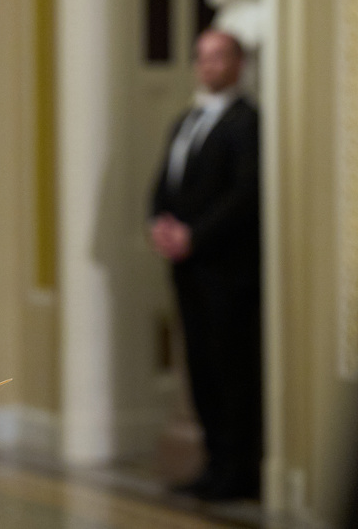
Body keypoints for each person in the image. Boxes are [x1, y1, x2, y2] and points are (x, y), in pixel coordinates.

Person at [150, 28, 262, 501]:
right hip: (187, 267)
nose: (208, 66)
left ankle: (239, 470)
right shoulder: (185, 119)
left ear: (237, 64)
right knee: (199, 366)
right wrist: (158, 224)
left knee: (232, 367)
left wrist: (196, 235)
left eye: (219, 57)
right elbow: (165, 183)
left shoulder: (246, 122)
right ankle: (213, 462)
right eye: (202, 57)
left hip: (228, 268)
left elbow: (245, 193)